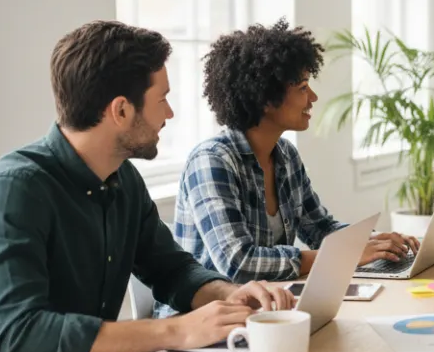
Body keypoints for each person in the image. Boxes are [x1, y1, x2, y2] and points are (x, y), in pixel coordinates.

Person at [0, 21, 294, 352]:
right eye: (162, 99)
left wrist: (227, 295)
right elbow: (17, 337)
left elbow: (170, 269)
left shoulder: (122, 179)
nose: (169, 114)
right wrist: (176, 330)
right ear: (121, 111)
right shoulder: (12, 192)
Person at [173, 20, 417, 284]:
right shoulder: (212, 161)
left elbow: (321, 228)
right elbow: (238, 263)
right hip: (207, 314)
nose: (312, 97)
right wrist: (345, 254)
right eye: (302, 87)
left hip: (268, 303)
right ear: (266, 98)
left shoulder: (285, 155)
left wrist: (374, 242)